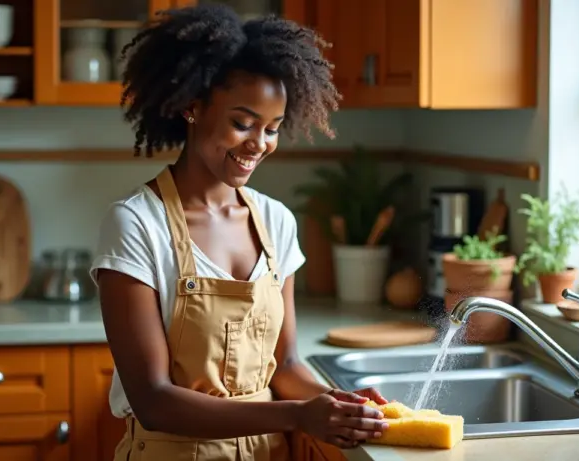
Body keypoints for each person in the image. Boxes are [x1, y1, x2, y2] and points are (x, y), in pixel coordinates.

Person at [91, 4, 390, 460]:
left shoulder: (277, 222)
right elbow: (152, 400)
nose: (259, 144)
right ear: (192, 108)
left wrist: (337, 404)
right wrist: (296, 415)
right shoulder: (136, 224)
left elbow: (285, 366)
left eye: (271, 129)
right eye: (242, 123)